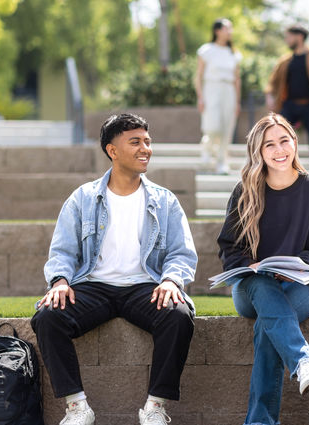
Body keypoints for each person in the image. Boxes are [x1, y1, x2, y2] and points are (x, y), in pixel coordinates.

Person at [30, 113, 197, 425]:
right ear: (112, 150)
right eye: (135, 142)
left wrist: (173, 280)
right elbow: (62, 251)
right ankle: (77, 407)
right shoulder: (82, 198)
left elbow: (181, 253)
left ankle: (155, 407)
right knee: (48, 315)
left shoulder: (165, 201)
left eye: (147, 141)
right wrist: (60, 281)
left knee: (178, 316)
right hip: (93, 286)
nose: (145, 148)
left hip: (145, 285)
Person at [217, 113, 309, 425]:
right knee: (262, 285)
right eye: (269, 144)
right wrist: (252, 266)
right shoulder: (244, 192)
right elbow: (229, 249)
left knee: (267, 326)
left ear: (295, 143)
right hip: (251, 290)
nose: (279, 149)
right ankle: (302, 362)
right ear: (258, 152)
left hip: (300, 288)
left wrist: (298, 266)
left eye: (284, 140)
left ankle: (260, 422)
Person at [265, 24, 309, 176]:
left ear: (299, 36)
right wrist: (269, 97)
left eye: (289, 37)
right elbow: (272, 82)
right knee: (278, 136)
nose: (286, 40)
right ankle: (281, 174)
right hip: (289, 105)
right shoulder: (285, 61)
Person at [195, 18, 241, 175]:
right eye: (227, 28)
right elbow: (198, 76)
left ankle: (222, 161)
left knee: (227, 127)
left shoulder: (233, 53)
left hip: (229, 90)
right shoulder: (206, 50)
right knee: (212, 126)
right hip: (211, 88)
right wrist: (200, 97)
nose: (230, 32)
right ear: (217, 31)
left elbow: (237, 79)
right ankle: (207, 147)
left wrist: (238, 101)